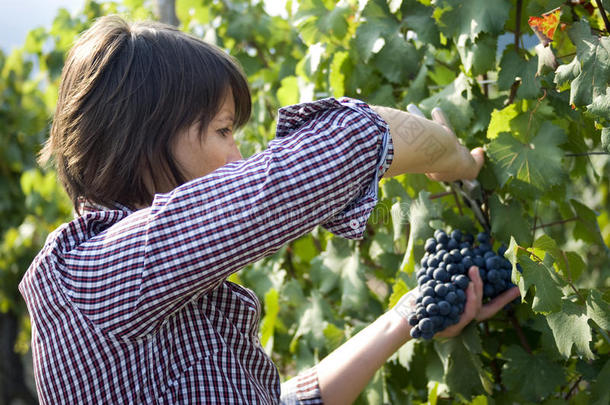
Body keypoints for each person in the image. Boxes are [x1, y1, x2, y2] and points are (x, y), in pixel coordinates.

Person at [19, 15, 520, 405]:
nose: (237, 154)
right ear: (146, 142)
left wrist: (406, 316)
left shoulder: (149, 296)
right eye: (223, 130)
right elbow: (351, 142)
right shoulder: (92, 274)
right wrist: (453, 159)